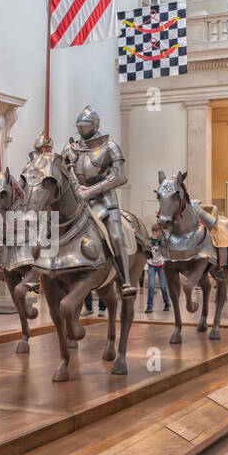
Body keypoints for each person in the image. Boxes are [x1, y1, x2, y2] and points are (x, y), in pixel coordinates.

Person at [61, 106, 137, 298]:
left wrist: (89, 192)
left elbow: (119, 177)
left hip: (104, 201)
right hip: (77, 200)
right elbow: (63, 173)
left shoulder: (110, 147)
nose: (80, 128)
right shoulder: (70, 149)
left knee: (116, 236)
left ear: (94, 125)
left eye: (84, 124)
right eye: (78, 125)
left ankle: (125, 280)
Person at [145, 224, 169, 313]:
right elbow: (146, 253)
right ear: (154, 232)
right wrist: (146, 265)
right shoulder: (148, 241)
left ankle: (167, 303)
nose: (160, 233)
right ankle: (149, 306)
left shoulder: (162, 240)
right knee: (151, 286)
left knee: (163, 286)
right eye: (159, 232)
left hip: (161, 266)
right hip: (151, 266)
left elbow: (166, 251)